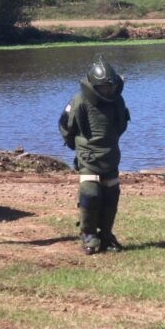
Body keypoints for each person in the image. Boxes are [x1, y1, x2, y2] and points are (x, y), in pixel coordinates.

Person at [58, 56, 130, 255]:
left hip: (111, 154)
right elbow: (66, 126)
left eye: (110, 87)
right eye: (103, 88)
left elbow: (121, 126)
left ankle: (106, 235)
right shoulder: (79, 100)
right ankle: (88, 234)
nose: (108, 91)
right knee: (91, 193)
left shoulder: (118, 100)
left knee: (111, 196)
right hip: (88, 156)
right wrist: (80, 148)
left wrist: (109, 144)